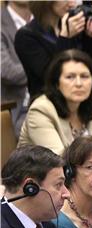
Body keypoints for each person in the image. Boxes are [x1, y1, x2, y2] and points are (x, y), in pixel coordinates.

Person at [14, 0, 92, 98]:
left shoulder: (73, 26)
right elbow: (51, 77)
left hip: (81, 102)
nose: (72, 3)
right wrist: (65, 38)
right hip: (48, 105)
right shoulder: (26, 36)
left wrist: (91, 40)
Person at [1, 0, 32, 134]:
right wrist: (42, 65)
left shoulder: (46, 19)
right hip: (17, 109)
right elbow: (6, 71)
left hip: (54, 103)